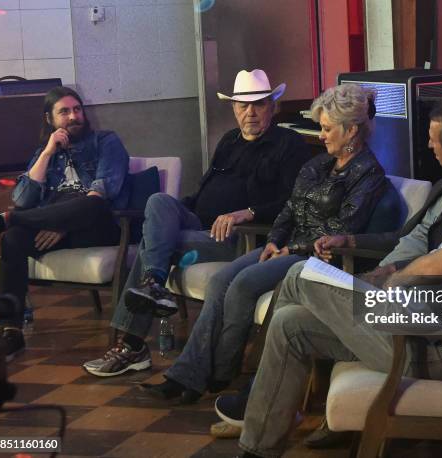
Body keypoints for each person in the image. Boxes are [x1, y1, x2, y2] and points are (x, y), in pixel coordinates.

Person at [231, 81, 442, 458]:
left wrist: (384, 289)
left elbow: (437, 265)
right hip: (438, 331)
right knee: (290, 324)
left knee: (299, 275)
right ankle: (257, 448)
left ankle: (249, 401)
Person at [136, 83, 387, 404]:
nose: (321, 136)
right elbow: (290, 207)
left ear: (352, 130)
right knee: (220, 282)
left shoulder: (369, 174)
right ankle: (186, 375)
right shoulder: (320, 163)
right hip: (286, 246)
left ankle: (220, 373)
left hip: (318, 258)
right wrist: (273, 240)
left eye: (326, 129)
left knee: (241, 284)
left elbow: (341, 228)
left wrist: (290, 249)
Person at [83, 69, 311, 377]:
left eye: (258, 104)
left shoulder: (289, 144)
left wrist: (249, 212)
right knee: (159, 202)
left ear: (273, 106)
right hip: (199, 224)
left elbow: (293, 201)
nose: (250, 112)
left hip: (238, 238)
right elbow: (203, 190)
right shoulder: (229, 140)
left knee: (153, 246)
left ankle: (132, 342)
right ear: (233, 108)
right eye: (243, 106)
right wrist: (177, 209)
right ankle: (152, 287)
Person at [301, 99, 442, 448]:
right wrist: (351, 240)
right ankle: (271, 431)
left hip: (413, 312)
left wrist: (390, 273)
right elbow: (405, 237)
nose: (426, 145)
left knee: (299, 277)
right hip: (389, 290)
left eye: (432, 140)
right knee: (292, 314)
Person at [0, 86, 130, 362]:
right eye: (64, 112)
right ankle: (11, 331)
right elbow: (22, 198)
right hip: (51, 226)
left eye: (77, 110)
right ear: (49, 120)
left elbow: (103, 192)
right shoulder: (46, 152)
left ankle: (6, 220)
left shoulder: (106, 141)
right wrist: (46, 153)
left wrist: (65, 224)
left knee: (91, 203)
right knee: (12, 239)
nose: (73, 117)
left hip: (99, 224)